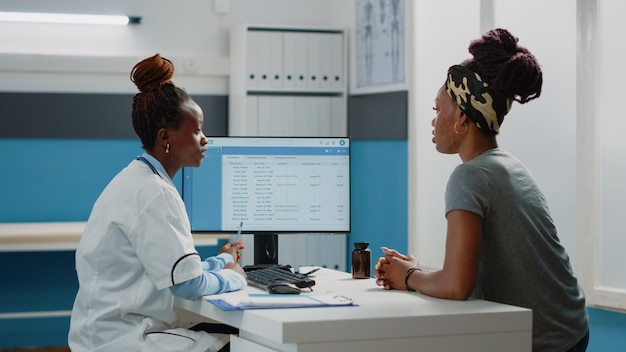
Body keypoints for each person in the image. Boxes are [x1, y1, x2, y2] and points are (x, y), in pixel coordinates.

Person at [374, 29, 589, 352]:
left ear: (462, 116)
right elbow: (468, 276)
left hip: (544, 341)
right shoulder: (507, 165)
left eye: (438, 109)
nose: (433, 121)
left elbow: (458, 286)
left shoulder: (470, 176)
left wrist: (408, 276)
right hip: (571, 329)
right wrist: (419, 274)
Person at [68, 53, 247, 352]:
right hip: (125, 339)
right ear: (166, 137)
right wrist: (235, 277)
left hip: (99, 333)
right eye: (197, 130)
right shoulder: (155, 193)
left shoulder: (135, 179)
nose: (205, 139)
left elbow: (171, 271)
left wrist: (222, 261)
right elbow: (187, 286)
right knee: (245, 343)